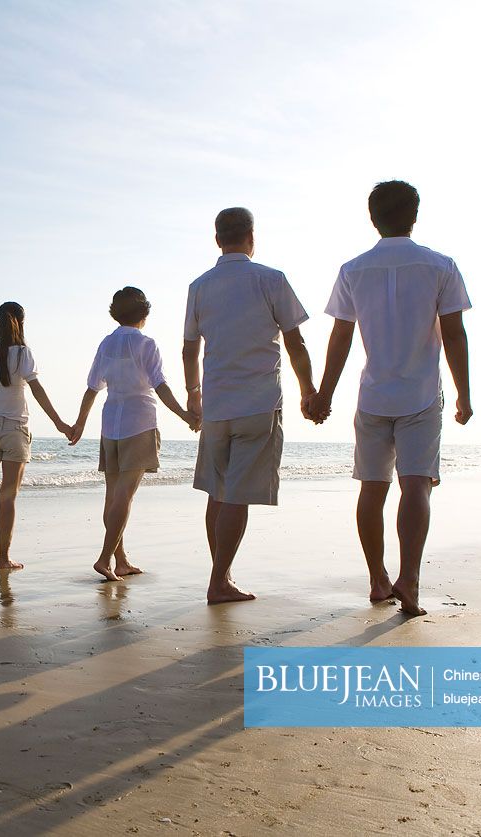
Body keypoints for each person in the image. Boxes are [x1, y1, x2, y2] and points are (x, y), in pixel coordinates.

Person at [310, 180, 473, 616]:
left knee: (372, 488)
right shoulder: (439, 265)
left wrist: (324, 393)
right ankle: (411, 582)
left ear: (372, 217)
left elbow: (340, 336)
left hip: (373, 395)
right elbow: (454, 334)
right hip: (420, 394)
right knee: (416, 484)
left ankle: (378, 579)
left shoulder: (353, 269)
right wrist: (464, 394)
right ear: (414, 215)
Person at [183, 208, 319, 604]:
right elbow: (295, 343)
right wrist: (308, 390)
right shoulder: (270, 280)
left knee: (217, 492)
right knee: (236, 496)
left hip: (217, 405)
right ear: (251, 237)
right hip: (258, 403)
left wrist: (194, 393)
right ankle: (218, 580)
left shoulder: (200, 286)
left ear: (217, 239)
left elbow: (190, 347)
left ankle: (220, 575)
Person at [69, 287, 199, 582]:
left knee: (113, 496)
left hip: (110, 424)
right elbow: (160, 386)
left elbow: (92, 387)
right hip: (139, 424)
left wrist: (79, 424)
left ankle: (121, 560)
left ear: (116, 313)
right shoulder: (146, 344)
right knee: (124, 497)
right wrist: (185, 415)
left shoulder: (107, 344)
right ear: (144, 313)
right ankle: (104, 559)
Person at [0, 302, 73, 574]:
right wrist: (60, 423)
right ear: (21, 322)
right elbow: (38, 391)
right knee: (7, 497)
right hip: (15, 431)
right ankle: (3, 558)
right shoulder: (23, 354)